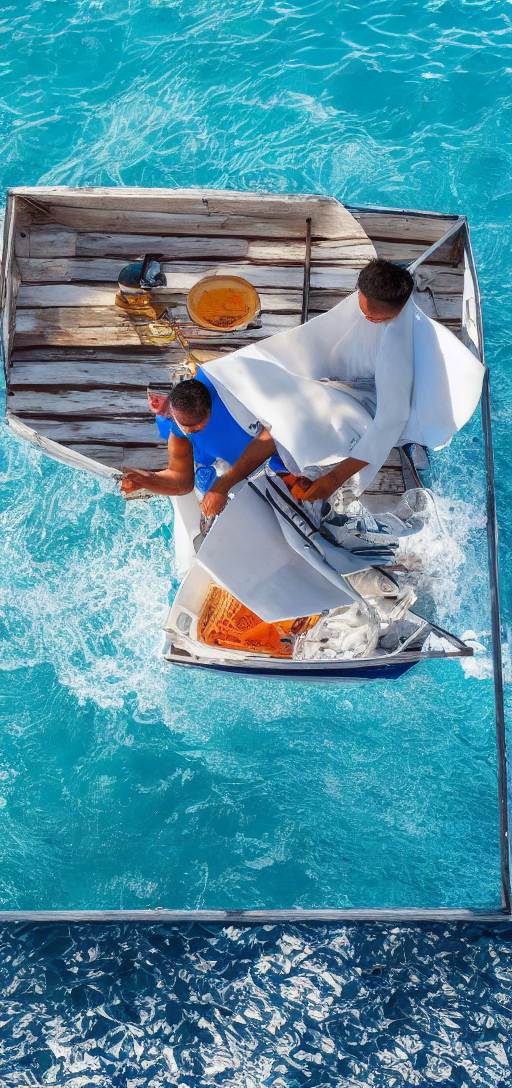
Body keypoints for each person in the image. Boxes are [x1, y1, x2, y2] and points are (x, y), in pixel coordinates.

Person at [295, 258, 415, 502]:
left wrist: (334, 478)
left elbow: (393, 419)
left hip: (370, 400)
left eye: (372, 318)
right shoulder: (398, 285)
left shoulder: (394, 349)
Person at [120, 373, 277, 516]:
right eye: (182, 426)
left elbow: (273, 436)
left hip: (270, 465)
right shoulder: (177, 427)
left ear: (209, 412)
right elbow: (181, 482)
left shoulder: (233, 391)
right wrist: (144, 481)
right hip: (222, 472)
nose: (187, 431)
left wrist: (222, 486)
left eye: (194, 428)